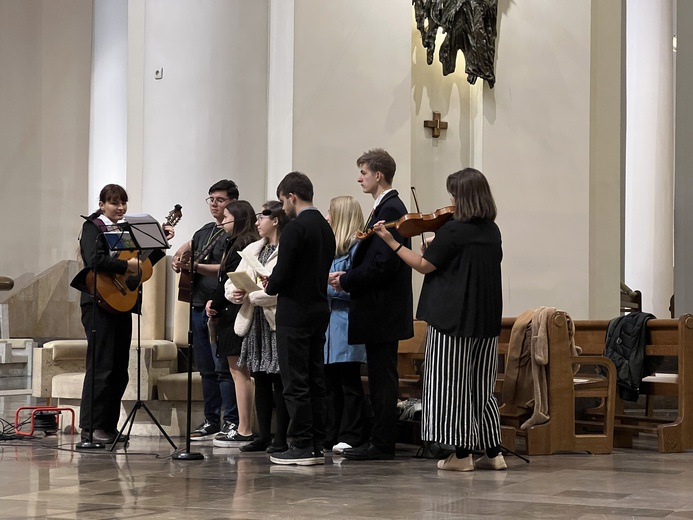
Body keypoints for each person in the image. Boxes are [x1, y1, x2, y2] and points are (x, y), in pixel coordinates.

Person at [372, 167, 505, 471]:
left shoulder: (455, 230)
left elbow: (423, 266)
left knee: (450, 386)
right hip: (484, 321)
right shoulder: (490, 230)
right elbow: (465, 264)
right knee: (480, 389)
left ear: (463, 196)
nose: (450, 199)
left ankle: (460, 455)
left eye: (454, 194)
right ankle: (493, 452)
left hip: (452, 320)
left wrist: (391, 242)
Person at [72, 184, 174, 444]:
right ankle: (90, 428)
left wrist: (160, 246)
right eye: (114, 202)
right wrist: (124, 264)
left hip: (121, 304)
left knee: (119, 370)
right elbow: (95, 259)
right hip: (98, 302)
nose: (120, 208)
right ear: (102, 203)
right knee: (101, 367)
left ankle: (108, 426)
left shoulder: (126, 230)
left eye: (123, 203)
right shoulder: (93, 227)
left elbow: (139, 265)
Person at [329, 148, 413, 461]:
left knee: (382, 379)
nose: (359, 178)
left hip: (383, 308)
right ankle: (379, 440)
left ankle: (382, 443)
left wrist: (346, 280)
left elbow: (383, 263)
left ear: (378, 175)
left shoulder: (391, 208)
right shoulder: (383, 207)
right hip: (379, 308)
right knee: (379, 377)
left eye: (363, 172)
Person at [264, 172, 336, 466]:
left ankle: (303, 444)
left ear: (291, 197)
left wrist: (269, 283)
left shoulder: (296, 228)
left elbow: (283, 273)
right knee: (315, 378)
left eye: (283, 201)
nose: (283, 207)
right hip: (319, 309)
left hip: (294, 312)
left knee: (295, 380)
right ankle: (318, 442)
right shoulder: (325, 227)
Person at [171, 180, 239, 441]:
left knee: (223, 369)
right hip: (197, 304)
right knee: (205, 369)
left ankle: (231, 421)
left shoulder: (234, 233)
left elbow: (225, 267)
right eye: (210, 199)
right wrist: (179, 258)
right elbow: (188, 246)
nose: (213, 204)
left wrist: (196, 268)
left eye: (220, 200)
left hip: (219, 307)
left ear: (232, 201)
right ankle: (211, 420)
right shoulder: (205, 230)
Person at [223, 201, 291, 453]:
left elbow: (280, 287)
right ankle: (263, 435)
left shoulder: (286, 248)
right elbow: (231, 283)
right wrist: (236, 293)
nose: (256, 222)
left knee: (279, 380)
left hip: (274, 319)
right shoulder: (253, 248)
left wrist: (254, 295)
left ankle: (281, 437)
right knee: (260, 377)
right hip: (254, 321)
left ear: (275, 220)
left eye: (262, 217)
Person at [205, 200, 259, 447]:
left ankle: (244, 428)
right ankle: (243, 426)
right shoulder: (234, 242)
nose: (222, 220)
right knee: (237, 372)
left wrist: (213, 303)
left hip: (236, 312)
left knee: (239, 373)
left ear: (237, 218)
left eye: (226, 216)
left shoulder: (243, 244)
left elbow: (232, 280)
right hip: (230, 310)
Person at [324, 196, 367, 454]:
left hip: (347, 322)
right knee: (331, 384)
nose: (327, 218)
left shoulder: (357, 249)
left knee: (349, 382)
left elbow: (358, 287)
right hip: (330, 325)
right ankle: (332, 432)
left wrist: (330, 287)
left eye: (330, 213)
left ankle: (352, 433)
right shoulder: (333, 250)